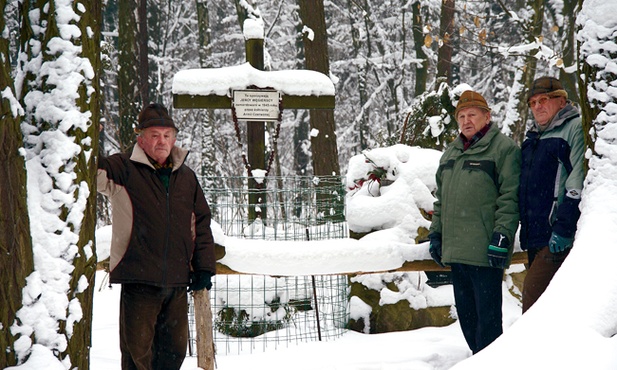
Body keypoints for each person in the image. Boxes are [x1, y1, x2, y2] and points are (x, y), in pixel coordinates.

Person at [97, 103, 216, 370]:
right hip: (138, 280)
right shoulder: (123, 168)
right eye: (154, 135)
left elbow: (202, 223)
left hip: (176, 282)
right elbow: (90, 172)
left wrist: (204, 269)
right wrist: (92, 137)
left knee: (174, 354)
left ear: (174, 138)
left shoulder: (186, 177)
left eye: (167, 135)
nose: (161, 141)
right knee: (138, 355)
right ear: (141, 138)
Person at [428, 90, 521, 354]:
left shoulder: (503, 150)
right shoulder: (450, 154)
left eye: (472, 115)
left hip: (485, 251)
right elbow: (441, 201)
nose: (466, 121)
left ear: (487, 116)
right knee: (468, 323)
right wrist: (436, 235)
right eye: (461, 116)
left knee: (489, 325)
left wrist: (502, 235)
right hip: (457, 253)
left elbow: (509, 197)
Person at [519, 76, 585, 313]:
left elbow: (576, 180)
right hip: (534, 237)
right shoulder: (532, 139)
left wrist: (564, 227)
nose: (538, 106)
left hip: (556, 234)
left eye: (544, 100)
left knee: (532, 301)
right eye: (533, 102)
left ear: (561, 101)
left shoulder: (574, 128)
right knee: (547, 309)